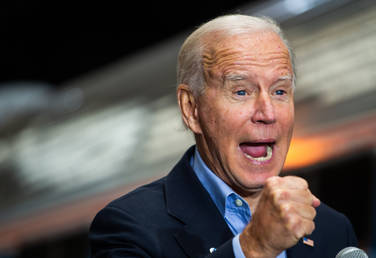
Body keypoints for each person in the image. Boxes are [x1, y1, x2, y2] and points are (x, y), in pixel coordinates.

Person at [89, 14, 357, 258]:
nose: (268, 112)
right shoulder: (128, 227)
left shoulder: (332, 229)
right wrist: (253, 248)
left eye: (279, 92)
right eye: (241, 92)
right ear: (191, 109)